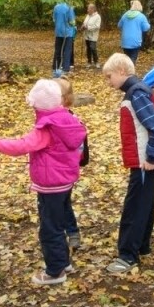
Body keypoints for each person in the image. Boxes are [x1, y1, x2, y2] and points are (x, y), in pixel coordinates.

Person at [0, 79, 87, 285]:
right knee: (58, 223)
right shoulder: (68, 120)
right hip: (65, 182)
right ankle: (63, 262)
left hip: (51, 185)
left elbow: (21, 146)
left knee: (49, 228)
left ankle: (55, 272)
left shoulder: (46, 128)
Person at [102, 53, 154, 272]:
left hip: (144, 162)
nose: (108, 82)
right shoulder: (136, 91)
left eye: (109, 77)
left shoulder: (136, 94)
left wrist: (151, 157)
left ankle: (128, 256)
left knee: (135, 207)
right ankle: (142, 245)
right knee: (144, 203)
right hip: (143, 160)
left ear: (121, 72)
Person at [54, 77, 86, 249]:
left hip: (65, 171)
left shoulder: (71, 120)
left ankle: (68, 233)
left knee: (61, 203)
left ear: (65, 99)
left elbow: (78, 147)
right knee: (62, 202)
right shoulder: (48, 117)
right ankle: (70, 233)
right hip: (54, 171)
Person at [118, 0, 150, 64]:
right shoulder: (141, 16)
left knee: (127, 58)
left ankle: (127, 71)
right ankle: (131, 72)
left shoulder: (125, 15)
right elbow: (146, 28)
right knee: (133, 58)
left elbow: (119, 25)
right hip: (135, 40)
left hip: (125, 41)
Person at [52, 1, 75, 76]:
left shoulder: (56, 7)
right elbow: (72, 22)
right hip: (67, 33)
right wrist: (74, 25)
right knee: (67, 51)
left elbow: (54, 19)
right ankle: (65, 69)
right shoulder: (69, 8)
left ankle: (55, 67)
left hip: (58, 32)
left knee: (57, 50)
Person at [82, 3, 102, 68]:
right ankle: (89, 62)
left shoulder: (97, 16)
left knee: (93, 48)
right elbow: (85, 23)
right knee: (88, 48)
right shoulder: (87, 16)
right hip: (87, 35)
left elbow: (97, 26)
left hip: (93, 35)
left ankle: (96, 62)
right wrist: (83, 26)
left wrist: (88, 27)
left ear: (93, 9)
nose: (87, 10)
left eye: (88, 9)